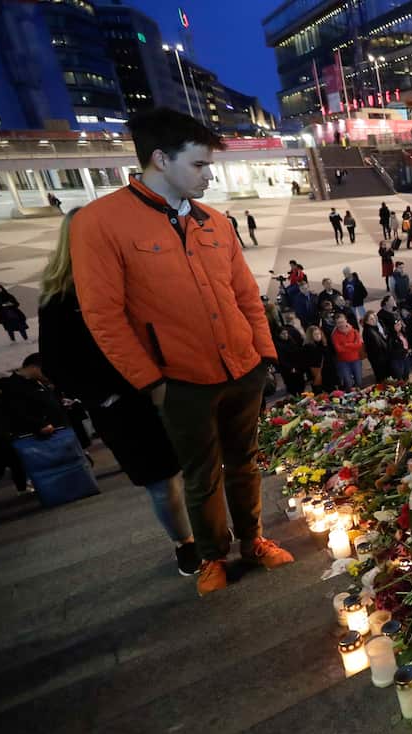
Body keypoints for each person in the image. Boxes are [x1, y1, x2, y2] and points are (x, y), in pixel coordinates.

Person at [69, 107, 291, 596]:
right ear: (159, 159)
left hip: (242, 367)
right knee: (200, 474)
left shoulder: (213, 220)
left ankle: (253, 539)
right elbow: (103, 317)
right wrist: (151, 382)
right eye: (199, 165)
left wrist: (264, 354)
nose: (209, 176)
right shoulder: (99, 223)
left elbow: (245, 295)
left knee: (245, 461)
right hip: (180, 379)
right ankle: (213, 556)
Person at [36, 210, 198, 574]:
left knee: (195, 468)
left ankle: (207, 528)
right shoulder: (59, 299)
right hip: (122, 407)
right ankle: (184, 542)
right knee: (162, 482)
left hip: (170, 392)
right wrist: (106, 395)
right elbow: (57, 365)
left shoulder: (134, 278)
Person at [331, 313, 363, 389]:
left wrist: (346, 345)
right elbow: (339, 350)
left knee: (359, 381)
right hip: (343, 362)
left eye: (342, 322)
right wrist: (352, 345)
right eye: (338, 323)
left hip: (356, 360)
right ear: (336, 324)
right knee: (348, 383)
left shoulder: (354, 331)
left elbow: (359, 345)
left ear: (346, 321)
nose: (341, 324)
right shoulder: (334, 335)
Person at [272, 324, 307, 394]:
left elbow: (297, 352)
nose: (285, 335)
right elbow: (281, 359)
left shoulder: (291, 341)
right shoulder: (278, 345)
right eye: (283, 334)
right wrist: (290, 367)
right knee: (293, 386)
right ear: (279, 335)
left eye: (286, 333)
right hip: (288, 370)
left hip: (297, 367)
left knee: (301, 384)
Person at [361, 312, 390, 384]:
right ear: (367, 321)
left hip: (381, 357)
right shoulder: (367, 331)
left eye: (374, 318)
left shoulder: (373, 328)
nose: (374, 320)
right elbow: (374, 346)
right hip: (377, 359)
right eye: (371, 319)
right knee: (382, 378)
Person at [301, 325, 330, 391]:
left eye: (319, 333)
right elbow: (306, 364)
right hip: (316, 374)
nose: (318, 335)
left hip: (327, 374)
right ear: (310, 336)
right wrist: (310, 378)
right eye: (315, 334)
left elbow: (328, 359)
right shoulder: (307, 347)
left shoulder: (323, 343)